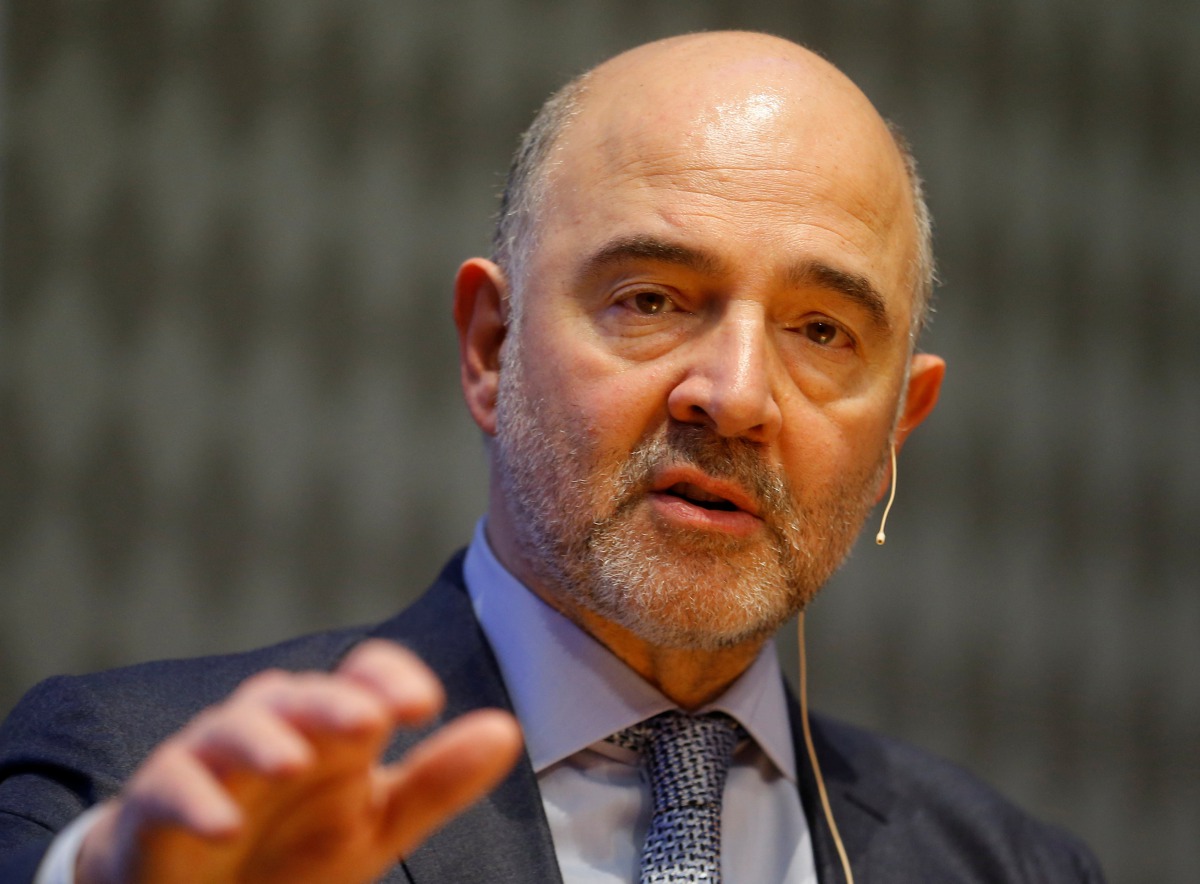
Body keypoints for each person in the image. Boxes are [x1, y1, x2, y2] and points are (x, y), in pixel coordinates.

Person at [0, 31, 1104, 884]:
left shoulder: (1016, 863)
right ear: (492, 346)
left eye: (822, 331)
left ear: (898, 427)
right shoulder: (134, 779)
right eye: (652, 298)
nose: (735, 394)